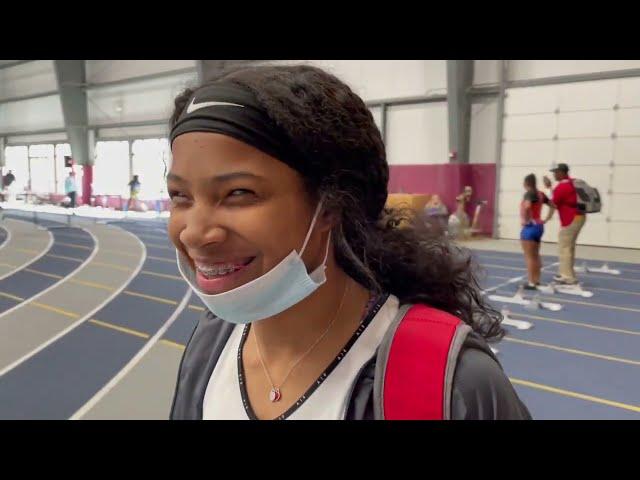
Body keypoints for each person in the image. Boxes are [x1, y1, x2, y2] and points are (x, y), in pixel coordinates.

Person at [167, 65, 531, 420]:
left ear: (332, 204)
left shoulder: (452, 384)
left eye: (238, 193)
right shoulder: (212, 342)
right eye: (180, 195)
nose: (195, 233)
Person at [543, 163, 585, 285]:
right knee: (569, 247)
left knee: (564, 247)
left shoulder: (562, 187)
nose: (554, 175)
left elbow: (553, 203)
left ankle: (567, 277)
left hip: (570, 219)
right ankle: (567, 273)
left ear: (562, 172)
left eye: (555, 172)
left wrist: (548, 188)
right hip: (579, 217)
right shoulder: (572, 182)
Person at [520, 174, 551, 290]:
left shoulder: (529, 193)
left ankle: (531, 282)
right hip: (539, 226)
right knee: (536, 255)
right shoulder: (541, 194)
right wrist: (547, 218)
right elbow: (553, 205)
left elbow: (527, 206)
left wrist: (527, 220)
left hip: (530, 228)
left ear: (526, 183)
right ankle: (536, 280)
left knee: (529, 256)